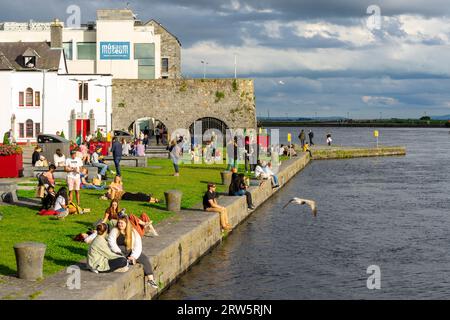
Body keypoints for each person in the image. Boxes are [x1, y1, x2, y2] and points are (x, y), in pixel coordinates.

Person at [108, 215, 158, 288]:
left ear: (126, 224)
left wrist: (133, 256)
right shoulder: (114, 231)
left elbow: (137, 245)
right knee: (121, 253)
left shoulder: (133, 231)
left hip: (129, 251)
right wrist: (119, 253)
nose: (120, 225)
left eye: (122, 223)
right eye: (119, 223)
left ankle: (150, 279)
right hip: (118, 252)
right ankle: (127, 261)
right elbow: (111, 243)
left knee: (144, 259)